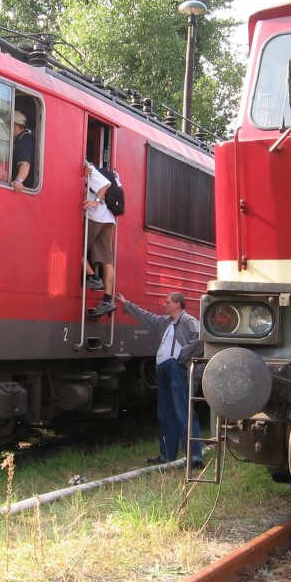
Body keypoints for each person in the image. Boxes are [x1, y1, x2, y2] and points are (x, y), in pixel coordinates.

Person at [115, 291, 204, 466]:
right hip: (164, 369)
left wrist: (182, 356)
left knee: (183, 411)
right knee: (166, 413)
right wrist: (127, 304)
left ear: (178, 304)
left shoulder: (187, 321)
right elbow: (146, 317)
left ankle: (194, 457)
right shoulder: (166, 322)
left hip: (176, 368)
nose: (164, 304)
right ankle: (167, 455)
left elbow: (201, 336)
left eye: (168, 302)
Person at [83, 161, 117, 317]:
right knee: (107, 260)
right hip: (109, 217)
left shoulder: (88, 166)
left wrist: (95, 202)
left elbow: (105, 184)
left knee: (75, 249)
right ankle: (108, 300)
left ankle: (93, 278)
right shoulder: (111, 172)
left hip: (96, 216)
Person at [10, 111, 35, 192]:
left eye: (7, 125)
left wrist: (19, 181)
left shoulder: (24, 141)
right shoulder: (22, 139)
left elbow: (25, 164)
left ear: (14, 125)